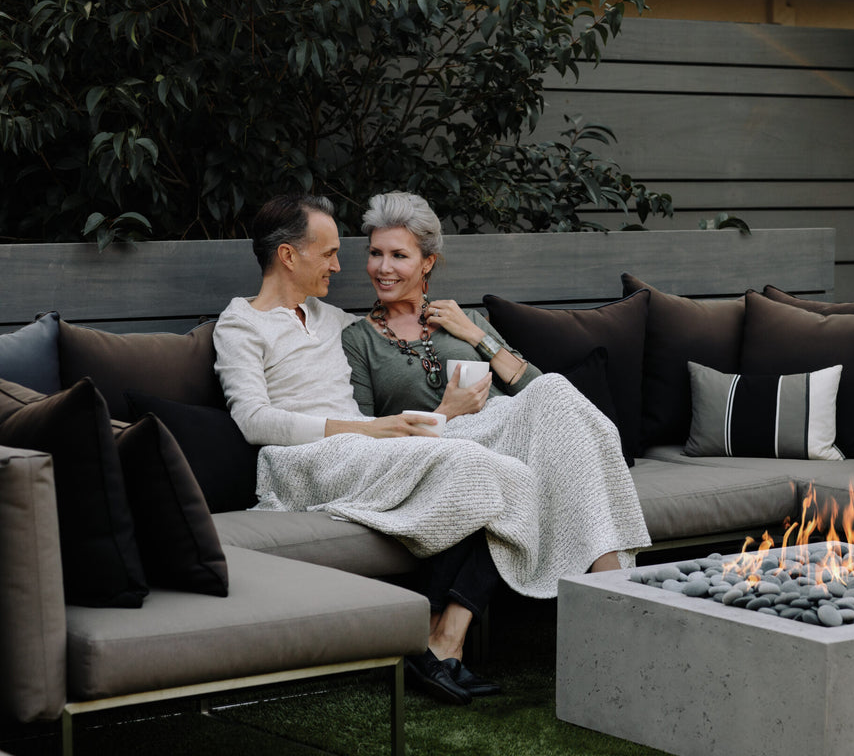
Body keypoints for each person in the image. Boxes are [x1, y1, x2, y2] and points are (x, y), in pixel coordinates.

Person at [212, 194, 650, 706]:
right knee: (491, 468)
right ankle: (599, 599)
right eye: (330, 253)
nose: (341, 265)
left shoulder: (330, 318)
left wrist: (467, 340)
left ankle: (463, 633)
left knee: (545, 406)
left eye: (393, 255)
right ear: (289, 256)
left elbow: (432, 357)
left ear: (427, 262)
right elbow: (253, 419)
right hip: (305, 459)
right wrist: (378, 427)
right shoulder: (243, 324)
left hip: (374, 442)